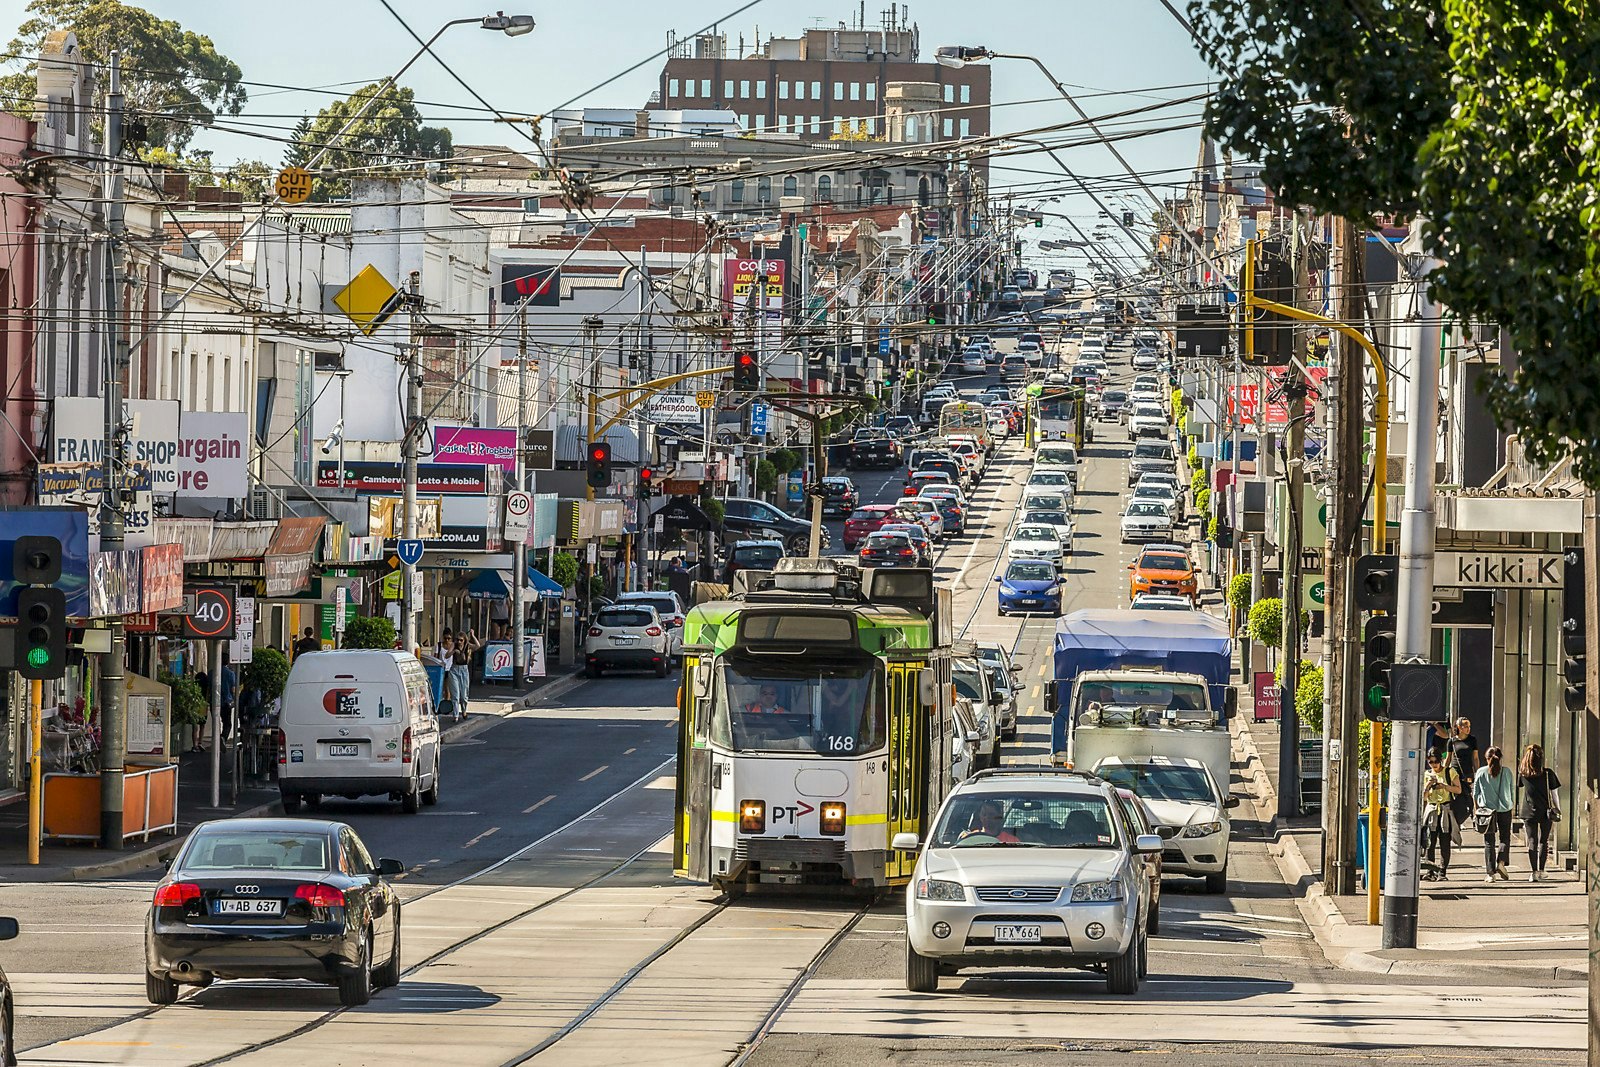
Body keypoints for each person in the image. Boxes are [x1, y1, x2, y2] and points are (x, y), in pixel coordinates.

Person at [1518, 743, 1561, 882]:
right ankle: (1542, 870)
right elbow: (1554, 794)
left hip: (1528, 811)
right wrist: (1558, 808)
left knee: (1532, 841)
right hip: (1545, 812)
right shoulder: (1548, 773)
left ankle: (1533, 872)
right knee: (1544, 841)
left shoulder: (1523, 774)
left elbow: (1520, 786)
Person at [1473, 746, 1516, 882]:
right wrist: (1511, 805)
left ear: (1486, 759)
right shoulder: (1507, 772)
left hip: (1486, 811)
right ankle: (1501, 862)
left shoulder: (1480, 772)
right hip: (1505, 809)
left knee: (1489, 842)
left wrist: (1476, 810)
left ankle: (1490, 873)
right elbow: (1512, 792)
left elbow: (1475, 794)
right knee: (1505, 838)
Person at [1421, 751, 1462, 877]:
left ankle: (1443, 871)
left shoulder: (1450, 772)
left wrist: (1444, 786)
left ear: (1441, 761)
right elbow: (1424, 797)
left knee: (1445, 841)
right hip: (1432, 810)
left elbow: (1458, 789)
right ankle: (1430, 870)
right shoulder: (1427, 774)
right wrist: (1428, 786)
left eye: (1436, 762)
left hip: (1445, 809)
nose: (1434, 765)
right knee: (1429, 842)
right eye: (1431, 762)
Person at [1447, 717, 1480, 830]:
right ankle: (1457, 820)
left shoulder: (1472, 740)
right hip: (1455, 772)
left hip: (1468, 772)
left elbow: (1475, 758)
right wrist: (1444, 772)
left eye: (1469, 726)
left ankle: (1473, 816)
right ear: (1459, 727)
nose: (1468, 729)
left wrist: (1477, 772)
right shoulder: (1452, 741)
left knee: (1469, 797)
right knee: (1457, 797)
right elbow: (1448, 758)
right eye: (1465, 726)